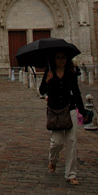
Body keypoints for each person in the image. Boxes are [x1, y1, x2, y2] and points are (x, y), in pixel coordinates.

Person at [39, 51, 88, 185]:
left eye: (63, 58)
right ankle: (53, 160)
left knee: (72, 141)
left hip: (70, 108)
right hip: (55, 111)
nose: (61, 60)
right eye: (58, 58)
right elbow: (41, 91)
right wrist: (47, 80)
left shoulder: (71, 74)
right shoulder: (49, 72)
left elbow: (76, 92)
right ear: (54, 60)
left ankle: (71, 174)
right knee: (56, 143)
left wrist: (82, 112)